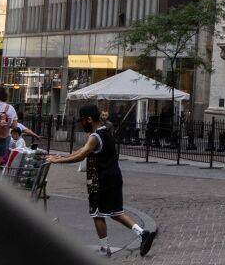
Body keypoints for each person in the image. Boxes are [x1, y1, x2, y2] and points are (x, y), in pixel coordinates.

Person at [47, 103, 158, 257]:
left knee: (97, 214)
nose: (82, 124)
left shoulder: (94, 136)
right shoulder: (105, 130)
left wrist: (58, 161)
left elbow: (82, 154)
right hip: (114, 177)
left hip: (100, 180)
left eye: (83, 121)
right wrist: (62, 156)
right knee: (116, 212)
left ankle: (105, 249)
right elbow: (81, 150)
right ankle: (142, 233)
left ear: (90, 119)